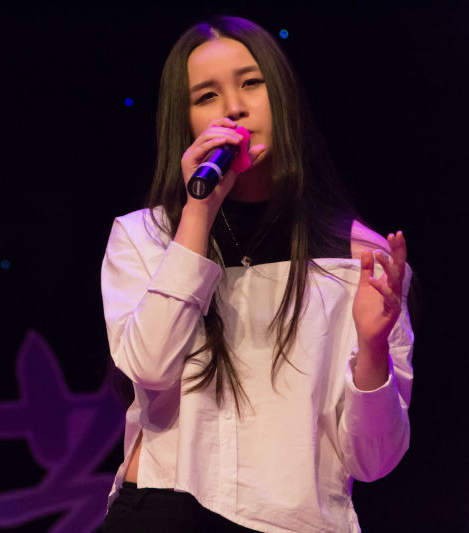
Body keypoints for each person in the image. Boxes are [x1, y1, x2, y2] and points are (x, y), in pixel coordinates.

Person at [99, 15, 414, 533]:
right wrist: (198, 212)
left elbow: (373, 460)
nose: (234, 107)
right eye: (206, 96)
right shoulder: (145, 237)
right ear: (185, 121)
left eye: (251, 83)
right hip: (166, 507)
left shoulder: (356, 256)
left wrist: (374, 347)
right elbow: (151, 366)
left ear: (282, 96)